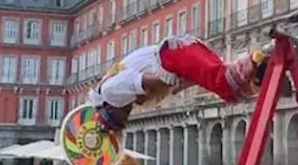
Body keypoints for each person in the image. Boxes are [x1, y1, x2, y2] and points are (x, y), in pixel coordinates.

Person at [90, 36, 269, 135]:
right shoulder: (119, 91)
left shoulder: (110, 92)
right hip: (177, 54)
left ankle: (256, 59)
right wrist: (190, 80)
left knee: (221, 81)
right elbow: (174, 86)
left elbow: (143, 79)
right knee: (227, 92)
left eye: (122, 118)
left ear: (112, 110)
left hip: (171, 58)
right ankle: (260, 72)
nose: (126, 116)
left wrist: (173, 79)